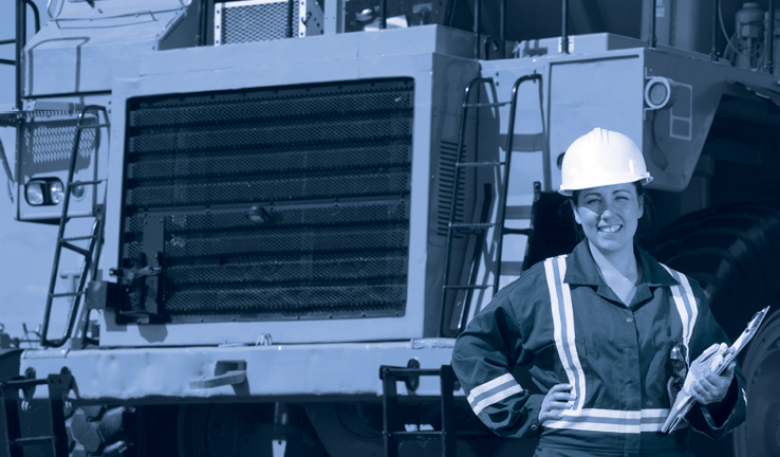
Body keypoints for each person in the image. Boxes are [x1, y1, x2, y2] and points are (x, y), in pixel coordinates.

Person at [451, 128, 746, 456]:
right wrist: (525, 409)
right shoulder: (545, 286)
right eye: (593, 200)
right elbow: (472, 349)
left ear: (639, 205)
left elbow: (718, 384)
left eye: (621, 196)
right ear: (576, 212)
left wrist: (720, 391)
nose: (608, 213)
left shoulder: (682, 293)